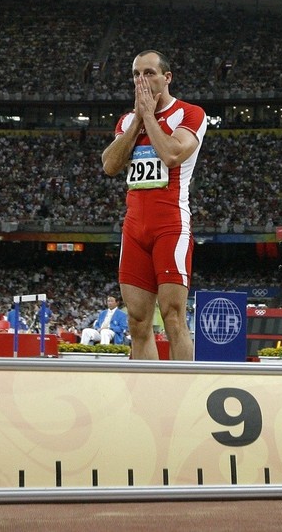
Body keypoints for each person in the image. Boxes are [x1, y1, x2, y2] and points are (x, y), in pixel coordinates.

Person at [101, 50, 207, 361]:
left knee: (173, 318)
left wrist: (149, 116)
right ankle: (147, 398)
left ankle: (181, 394)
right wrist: (137, 121)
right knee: (136, 321)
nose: (141, 80)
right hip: (134, 228)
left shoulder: (190, 114)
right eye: (136, 74)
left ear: (167, 78)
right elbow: (110, 164)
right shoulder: (126, 121)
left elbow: (173, 154)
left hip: (170, 226)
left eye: (149, 73)